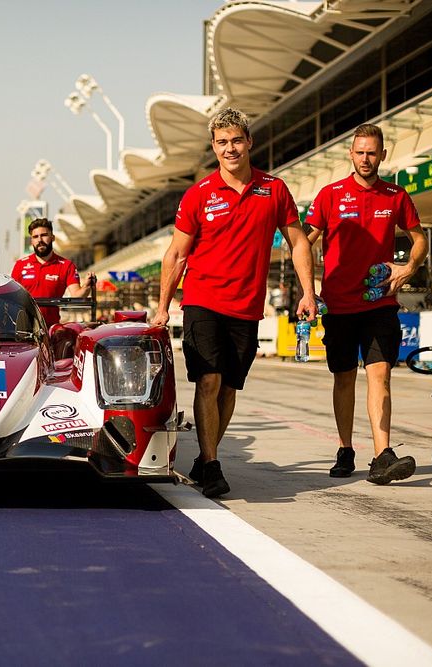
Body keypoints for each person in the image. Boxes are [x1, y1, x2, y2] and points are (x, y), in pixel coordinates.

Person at [152, 107, 316, 498]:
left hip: (246, 308)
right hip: (203, 301)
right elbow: (176, 255)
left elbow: (298, 243)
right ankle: (211, 465)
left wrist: (309, 292)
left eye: (236, 140)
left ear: (249, 142)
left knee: (229, 389)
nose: (230, 148)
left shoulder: (274, 190)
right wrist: (162, 307)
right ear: (214, 147)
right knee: (209, 379)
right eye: (222, 142)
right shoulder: (199, 194)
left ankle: (207, 456)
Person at [306, 123, 427, 485]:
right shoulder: (329, 195)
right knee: (344, 379)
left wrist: (409, 267)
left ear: (383, 155)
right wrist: (307, 285)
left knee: (381, 375)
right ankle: (345, 449)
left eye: (372, 152)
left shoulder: (395, 196)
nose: (365, 158)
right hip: (339, 306)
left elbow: (418, 238)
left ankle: (382, 455)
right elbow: (302, 241)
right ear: (351, 154)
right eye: (359, 152)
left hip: (380, 303)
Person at [11, 218, 93, 328]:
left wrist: (87, 286)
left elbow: (77, 295)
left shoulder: (66, 265)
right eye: (35, 237)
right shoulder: (20, 265)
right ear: (31, 241)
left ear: (52, 237)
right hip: (25, 328)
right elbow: (11, 298)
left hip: (51, 329)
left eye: (44, 235)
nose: (40, 240)